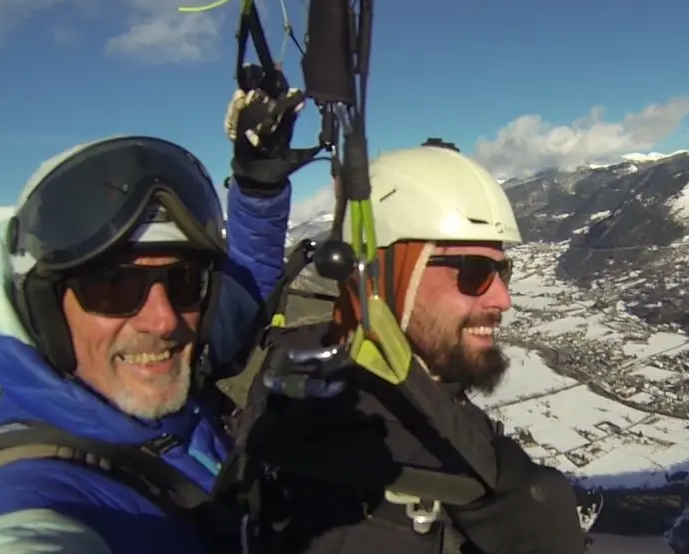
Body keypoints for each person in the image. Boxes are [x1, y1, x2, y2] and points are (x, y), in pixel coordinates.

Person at [0, 83, 308, 554]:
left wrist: (258, 189)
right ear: (45, 312)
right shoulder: (34, 494)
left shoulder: (168, 376)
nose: (163, 321)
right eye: (114, 288)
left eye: (183, 281)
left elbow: (242, 294)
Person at [231, 140, 587, 554]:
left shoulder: (323, 360)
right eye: (475, 271)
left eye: (503, 270)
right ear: (384, 278)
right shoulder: (357, 473)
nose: (502, 299)